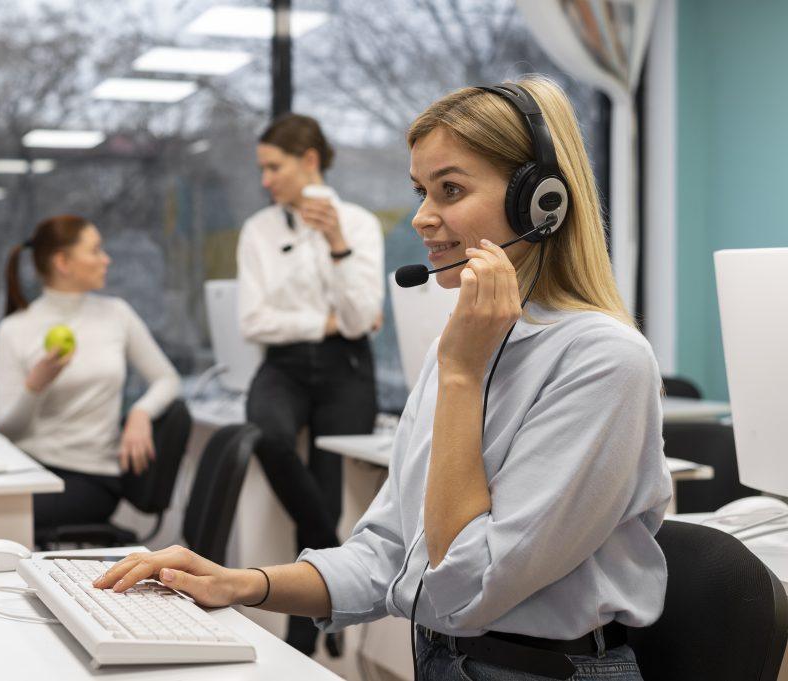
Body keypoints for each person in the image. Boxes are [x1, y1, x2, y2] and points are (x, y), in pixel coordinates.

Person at [92, 77, 672, 681]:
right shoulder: (465, 349)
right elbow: (386, 556)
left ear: (540, 202)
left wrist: (461, 378)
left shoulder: (602, 362)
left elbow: (463, 590)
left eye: (450, 189)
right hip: (450, 660)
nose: (422, 218)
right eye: (420, 190)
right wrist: (240, 583)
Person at [236, 113, 385, 655]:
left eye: (273, 167)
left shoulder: (360, 224)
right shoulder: (259, 230)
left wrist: (337, 242)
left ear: (310, 161)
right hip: (283, 366)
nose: (265, 180)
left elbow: (361, 316)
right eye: (262, 168)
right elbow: (253, 321)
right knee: (267, 434)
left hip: (346, 368)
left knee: (325, 483)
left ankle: (302, 635)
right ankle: (331, 563)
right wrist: (317, 322)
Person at [0, 214, 180, 538]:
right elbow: (8, 427)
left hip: (91, 477)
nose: (106, 259)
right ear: (63, 262)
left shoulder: (117, 314)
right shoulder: (14, 329)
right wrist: (35, 385)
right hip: (29, 469)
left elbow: (167, 379)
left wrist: (140, 413)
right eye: (95, 251)